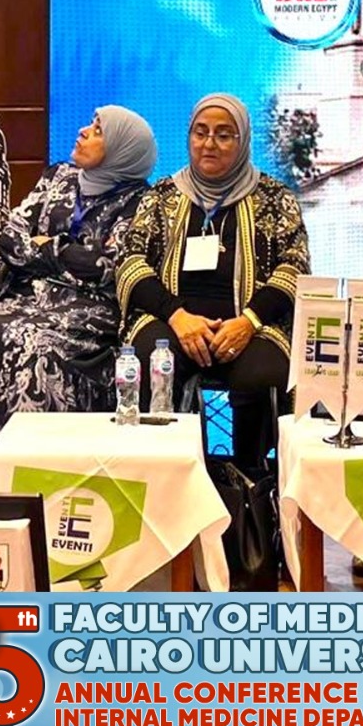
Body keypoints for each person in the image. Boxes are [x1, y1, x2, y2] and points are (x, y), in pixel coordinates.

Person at [0, 106, 157, 490]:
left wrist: (44, 247)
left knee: (34, 344)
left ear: (123, 149)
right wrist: (65, 253)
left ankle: (42, 481)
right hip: (29, 297)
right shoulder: (57, 177)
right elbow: (9, 237)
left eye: (98, 130)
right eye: (89, 124)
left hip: (91, 310)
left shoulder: (140, 202)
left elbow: (107, 266)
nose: (83, 131)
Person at [117, 92, 309, 474]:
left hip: (252, 326)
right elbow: (130, 262)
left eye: (223, 135)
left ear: (243, 141)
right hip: (172, 323)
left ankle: (250, 484)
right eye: (200, 132)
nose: (209, 144)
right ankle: (159, 475)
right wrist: (177, 316)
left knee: (262, 376)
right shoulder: (161, 196)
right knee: (150, 362)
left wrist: (248, 322)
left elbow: (294, 268)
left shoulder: (275, 198)